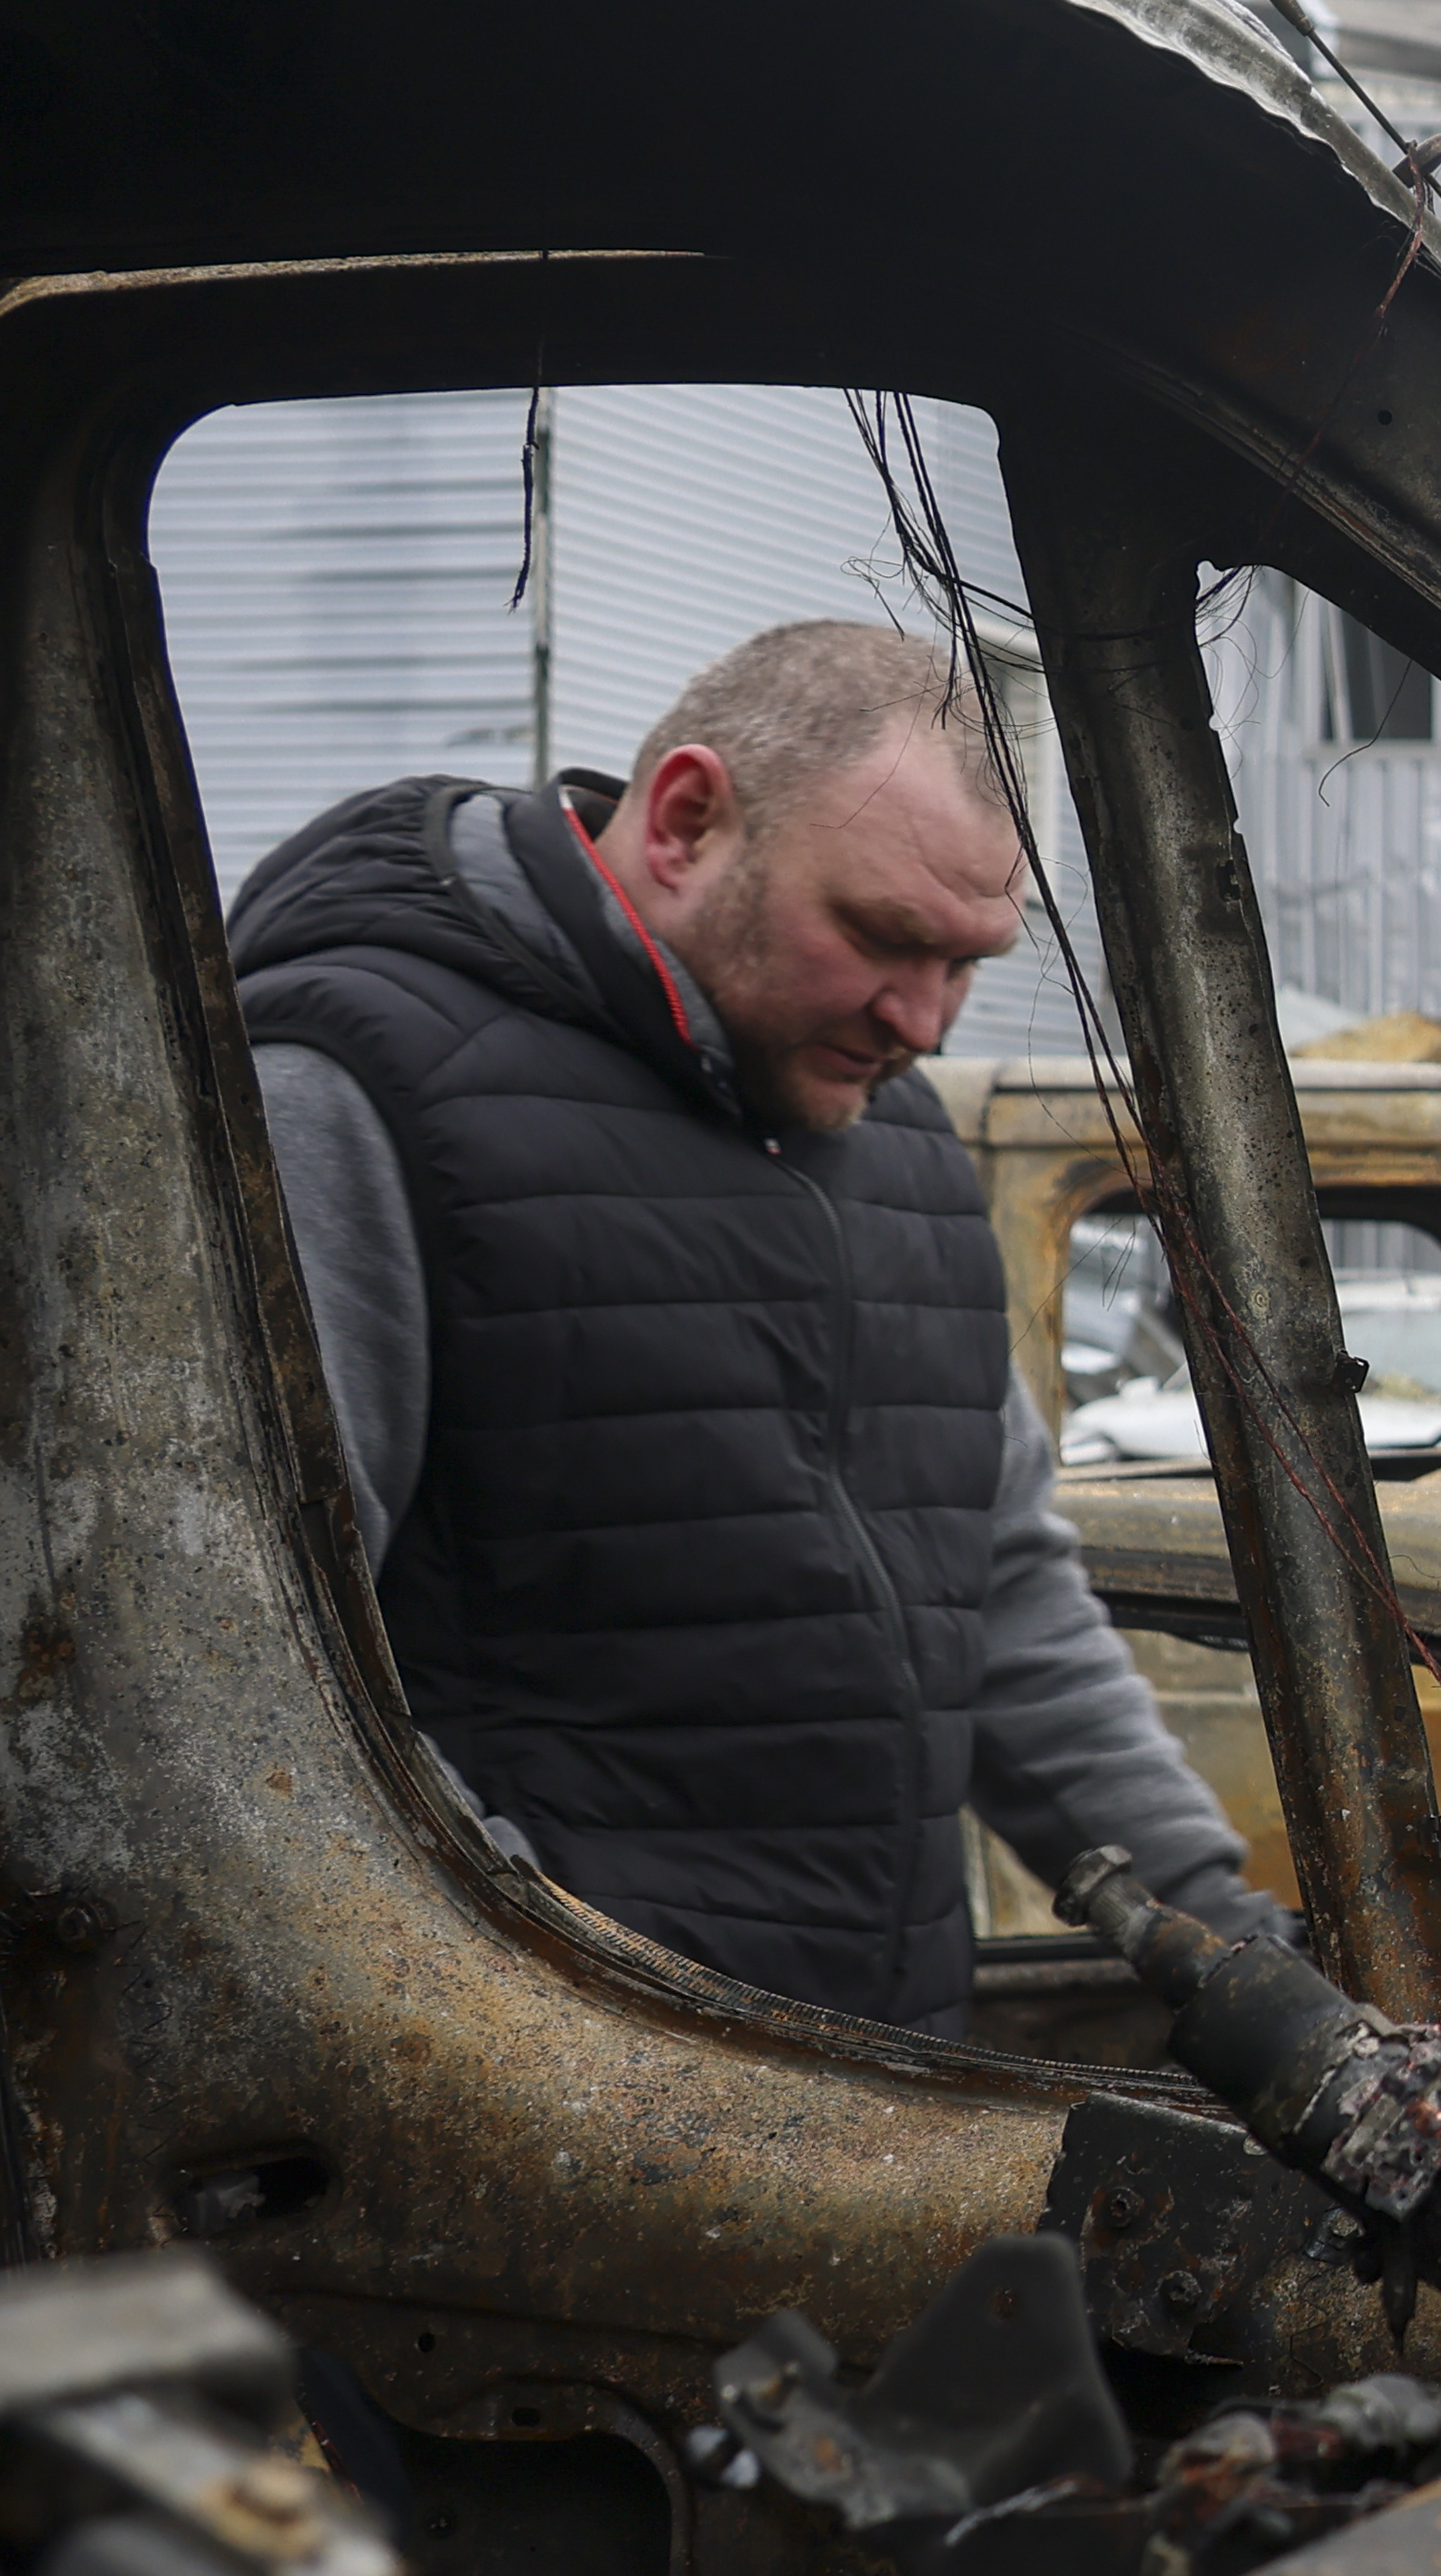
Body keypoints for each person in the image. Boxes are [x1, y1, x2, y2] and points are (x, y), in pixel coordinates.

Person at [224, 615, 1269, 2033]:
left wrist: (1233, 1945)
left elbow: (1003, 1594)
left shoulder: (898, 1149)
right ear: (685, 823)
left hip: (860, 2087)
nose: (927, 1022)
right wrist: (571, 2016)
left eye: (968, 961)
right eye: (886, 937)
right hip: (554, 2101)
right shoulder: (348, 1097)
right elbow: (264, 1683)